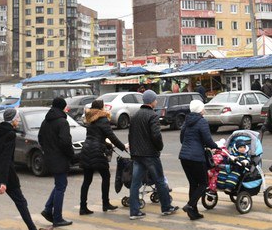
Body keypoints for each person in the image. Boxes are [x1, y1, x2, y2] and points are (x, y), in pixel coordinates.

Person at [128, 90, 177, 219]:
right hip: (150, 154)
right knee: (160, 180)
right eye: (155, 100)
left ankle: (134, 211)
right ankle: (166, 207)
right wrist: (159, 147)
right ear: (151, 101)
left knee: (135, 183)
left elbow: (131, 135)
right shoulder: (153, 116)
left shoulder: (135, 115)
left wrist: (133, 151)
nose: (156, 102)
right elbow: (156, 135)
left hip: (137, 154)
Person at [79, 99, 127, 215]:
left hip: (86, 150)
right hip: (96, 152)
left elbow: (94, 136)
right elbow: (111, 136)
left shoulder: (90, 119)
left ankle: (83, 207)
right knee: (106, 176)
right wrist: (123, 147)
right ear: (101, 108)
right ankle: (106, 204)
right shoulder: (103, 119)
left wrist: (108, 146)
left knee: (87, 180)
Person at [38, 97, 74, 227]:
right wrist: (71, 155)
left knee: (59, 184)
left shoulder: (45, 121)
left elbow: (40, 138)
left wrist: (48, 150)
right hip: (60, 158)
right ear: (63, 107)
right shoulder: (62, 122)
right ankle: (57, 217)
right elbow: (65, 142)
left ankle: (48, 209)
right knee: (61, 186)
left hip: (49, 157)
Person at [178, 99, 215, 220]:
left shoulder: (186, 121)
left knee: (193, 184)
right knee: (203, 183)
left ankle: (193, 213)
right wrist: (216, 146)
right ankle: (189, 205)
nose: (204, 110)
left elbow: (182, 139)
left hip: (184, 157)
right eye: (203, 108)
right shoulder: (202, 121)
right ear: (200, 109)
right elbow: (207, 140)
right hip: (196, 158)